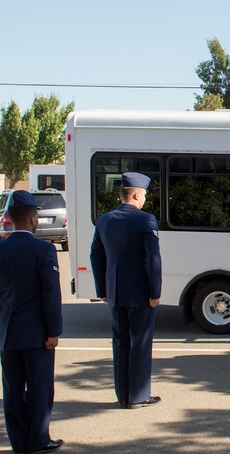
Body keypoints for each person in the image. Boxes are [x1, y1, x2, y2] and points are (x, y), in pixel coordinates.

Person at [0, 190, 64, 454]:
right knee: (39, 388)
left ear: (8, 218)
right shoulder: (44, 249)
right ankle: (37, 440)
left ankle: (18, 443)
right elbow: (50, 294)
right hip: (38, 334)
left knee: (13, 389)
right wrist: (53, 331)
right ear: (34, 220)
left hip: (8, 332)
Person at [90, 172, 163, 409]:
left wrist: (102, 289)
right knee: (140, 343)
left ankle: (122, 394)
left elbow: (96, 256)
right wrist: (155, 292)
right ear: (136, 194)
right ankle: (139, 395)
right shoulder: (146, 220)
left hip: (115, 292)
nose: (144, 200)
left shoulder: (103, 220)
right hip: (141, 293)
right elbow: (153, 259)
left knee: (120, 343)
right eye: (143, 196)